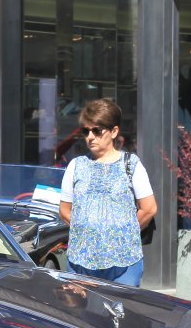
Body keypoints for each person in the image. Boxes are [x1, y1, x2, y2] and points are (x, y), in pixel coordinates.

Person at [57, 99, 155, 287]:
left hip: (124, 263)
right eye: (86, 131)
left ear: (114, 131)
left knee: (120, 306)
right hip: (81, 261)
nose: (90, 137)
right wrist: (86, 231)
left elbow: (149, 208)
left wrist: (122, 234)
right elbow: (64, 210)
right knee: (80, 307)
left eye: (97, 131)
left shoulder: (131, 164)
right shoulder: (76, 166)